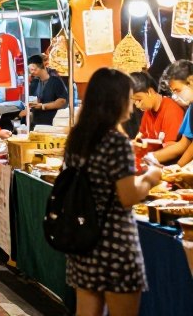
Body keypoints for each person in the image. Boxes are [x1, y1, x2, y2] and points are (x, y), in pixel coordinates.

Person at [64, 67, 161, 316]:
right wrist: (151, 177)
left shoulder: (78, 137)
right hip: (115, 243)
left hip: (84, 240)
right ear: (115, 100)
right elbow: (128, 196)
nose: (132, 105)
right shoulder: (116, 142)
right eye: (128, 97)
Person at [129, 70, 185, 164]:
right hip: (155, 161)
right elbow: (141, 137)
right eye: (134, 102)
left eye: (139, 100)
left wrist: (146, 158)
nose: (137, 106)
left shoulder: (172, 110)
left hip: (171, 165)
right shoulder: (148, 111)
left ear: (149, 92)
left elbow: (172, 150)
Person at [152, 60, 193, 166]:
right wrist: (150, 158)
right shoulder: (191, 110)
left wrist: (179, 166)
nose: (175, 96)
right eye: (173, 92)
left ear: (191, 82)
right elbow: (183, 144)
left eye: (177, 90)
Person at [19, 56, 68, 127]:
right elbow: (32, 99)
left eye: (34, 69)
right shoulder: (35, 82)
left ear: (42, 66)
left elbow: (61, 101)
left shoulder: (55, 81)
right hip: (36, 122)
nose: (32, 72)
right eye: (30, 70)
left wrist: (43, 106)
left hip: (51, 121)